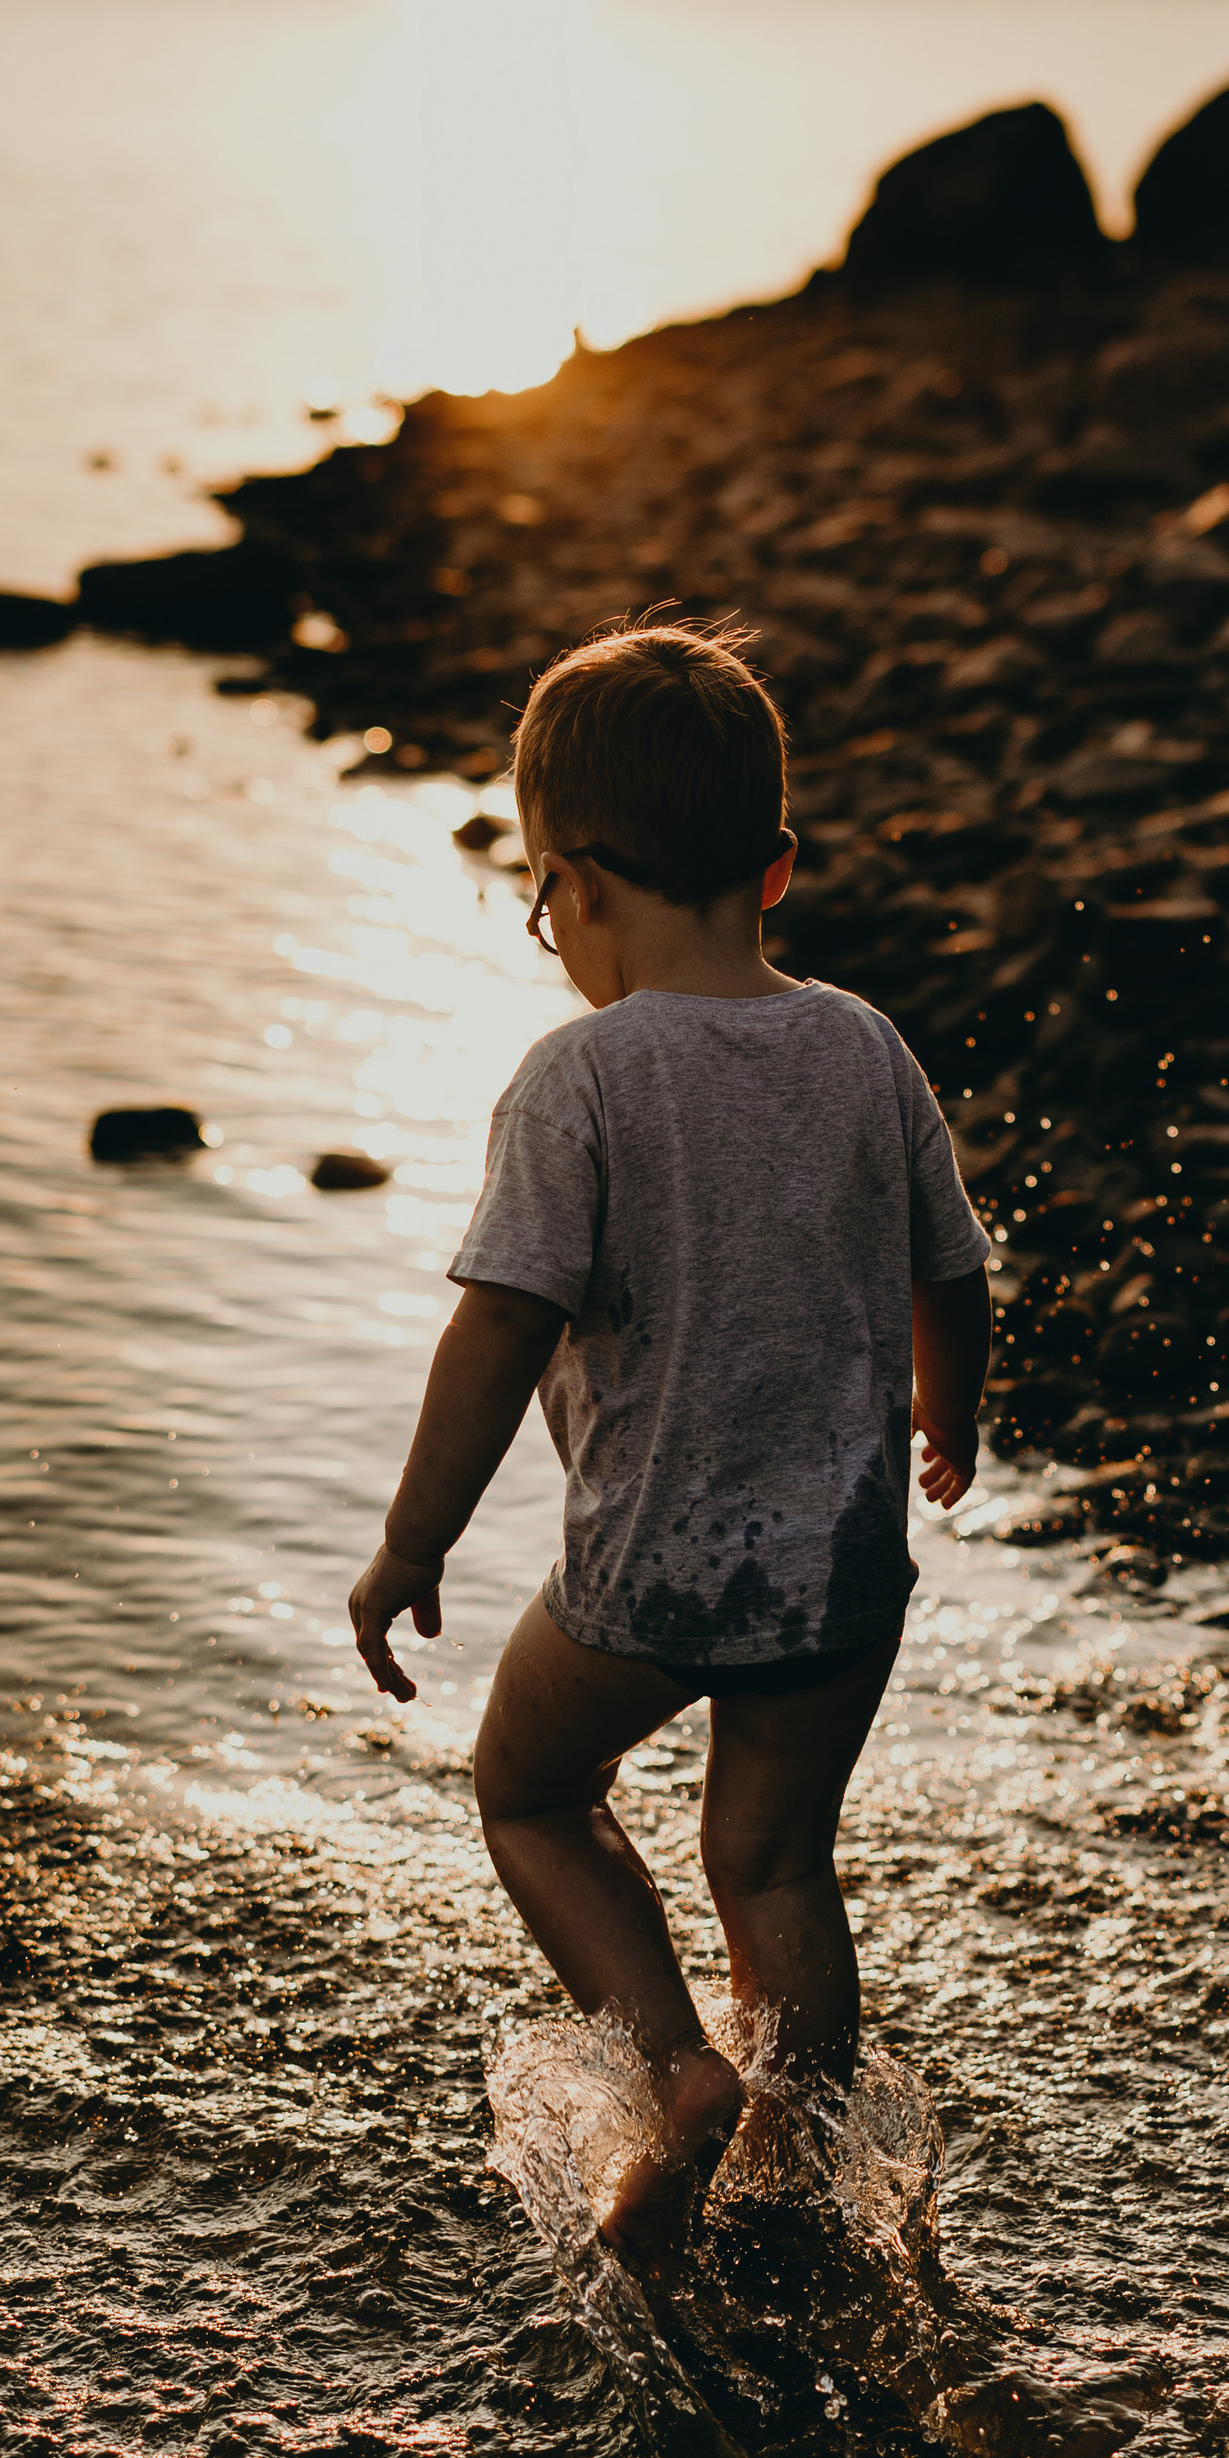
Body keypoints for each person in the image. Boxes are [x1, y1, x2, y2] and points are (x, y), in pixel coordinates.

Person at [348, 618, 994, 2257]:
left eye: (542, 903)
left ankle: (677, 2069)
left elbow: (499, 1322)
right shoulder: (861, 1044)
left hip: (656, 1569)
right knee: (775, 1860)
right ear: (772, 871)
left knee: (529, 1786)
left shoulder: (582, 1078)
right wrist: (948, 1417)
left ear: (572, 880)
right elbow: (953, 1265)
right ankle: (811, 2174)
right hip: (841, 1571)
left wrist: (413, 1539)